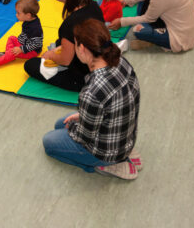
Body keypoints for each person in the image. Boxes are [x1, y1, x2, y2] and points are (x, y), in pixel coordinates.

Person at [42, 19, 141, 180]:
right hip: (126, 134)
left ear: (81, 49)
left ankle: (106, 164)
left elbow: (83, 137)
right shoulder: (121, 61)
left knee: (49, 142)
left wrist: (76, 125)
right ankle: (126, 152)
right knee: (60, 124)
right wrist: (82, 117)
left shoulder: (92, 91)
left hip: (106, 151)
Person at [24, 0, 104, 92]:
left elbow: (66, 60)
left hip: (83, 78)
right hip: (99, 62)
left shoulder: (70, 24)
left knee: (30, 65)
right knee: (58, 43)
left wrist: (51, 55)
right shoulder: (93, 5)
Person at [0, 0, 43, 69]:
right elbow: (25, 35)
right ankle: (8, 55)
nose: (16, 15)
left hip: (31, 51)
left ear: (28, 15)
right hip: (24, 43)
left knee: (13, 51)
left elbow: (36, 44)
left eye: (18, 13)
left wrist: (21, 49)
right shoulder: (29, 20)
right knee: (11, 38)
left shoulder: (35, 29)